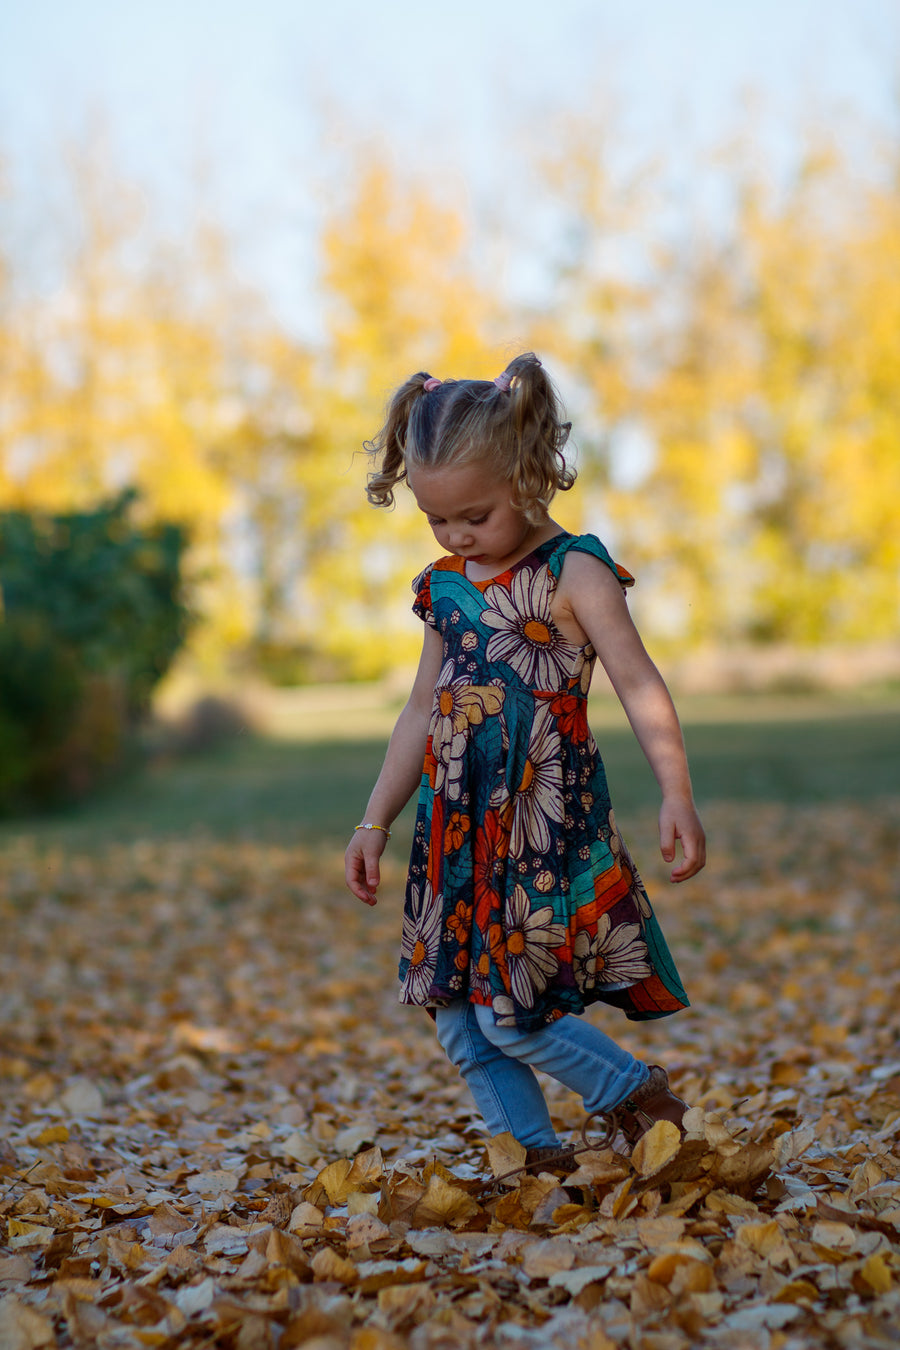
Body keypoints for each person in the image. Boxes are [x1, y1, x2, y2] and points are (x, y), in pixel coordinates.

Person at [344, 352, 706, 1173]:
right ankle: (536, 1166)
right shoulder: (443, 589)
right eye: (438, 521)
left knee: (514, 1012)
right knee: (459, 1021)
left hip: (537, 825)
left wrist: (676, 794)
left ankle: (636, 1095)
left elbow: (641, 685)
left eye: (473, 514)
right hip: (456, 832)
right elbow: (419, 711)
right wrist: (375, 819)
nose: (458, 536)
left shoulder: (573, 569)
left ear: (525, 472)